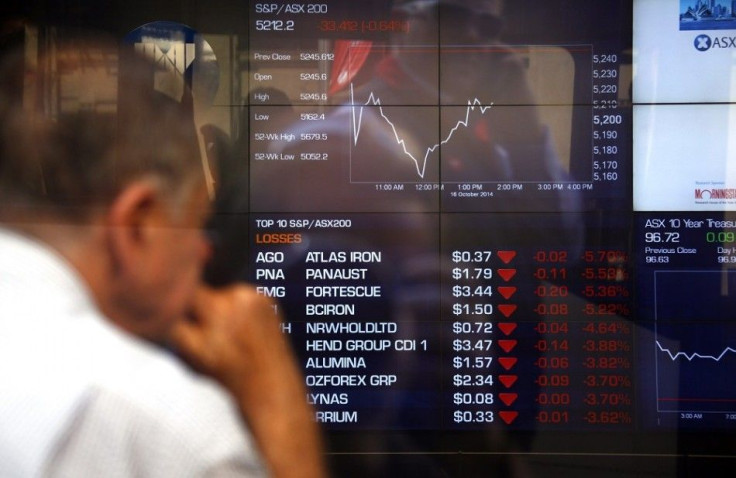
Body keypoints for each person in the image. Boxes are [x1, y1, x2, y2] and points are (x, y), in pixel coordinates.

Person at [0, 27, 326, 477]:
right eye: (194, 222)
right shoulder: (169, 429)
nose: (203, 249)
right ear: (139, 223)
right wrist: (275, 403)